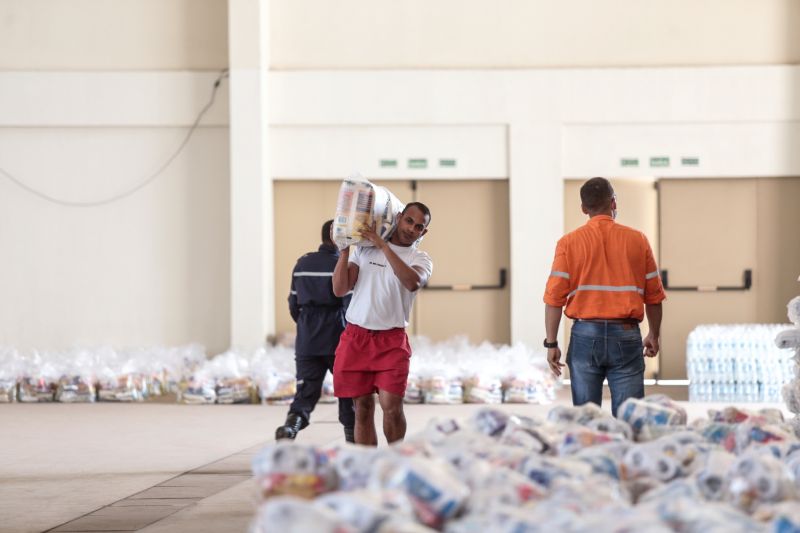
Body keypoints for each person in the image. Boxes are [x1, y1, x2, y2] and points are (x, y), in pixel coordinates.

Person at [543, 177, 666, 417]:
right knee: (629, 418)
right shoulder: (637, 240)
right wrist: (653, 334)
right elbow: (654, 296)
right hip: (627, 336)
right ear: (613, 203)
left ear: (583, 208)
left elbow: (554, 299)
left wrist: (551, 343)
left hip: (585, 338)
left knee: (587, 418)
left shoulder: (568, 243)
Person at [331, 202, 433, 445]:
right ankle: (369, 468)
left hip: (391, 340)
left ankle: (397, 462)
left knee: (392, 406)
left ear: (423, 233)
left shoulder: (420, 258)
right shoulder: (364, 251)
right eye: (409, 221)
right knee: (363, 408)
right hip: (357, 337)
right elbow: (340, 289)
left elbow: (412, 282)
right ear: (399, 217)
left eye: (419, 226)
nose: (412, 228)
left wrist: (383, 246)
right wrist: (344, 251)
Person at [275, 220, 356, 442]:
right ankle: (353, 441)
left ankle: (290, 428)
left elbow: (293, 304)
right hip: (337, 335)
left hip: (307, 337)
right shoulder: (341, 265)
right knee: (347, 392)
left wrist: (305, 326)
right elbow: (349, 307)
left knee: (305, 390)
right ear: (335, 237)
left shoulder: (302, 264)